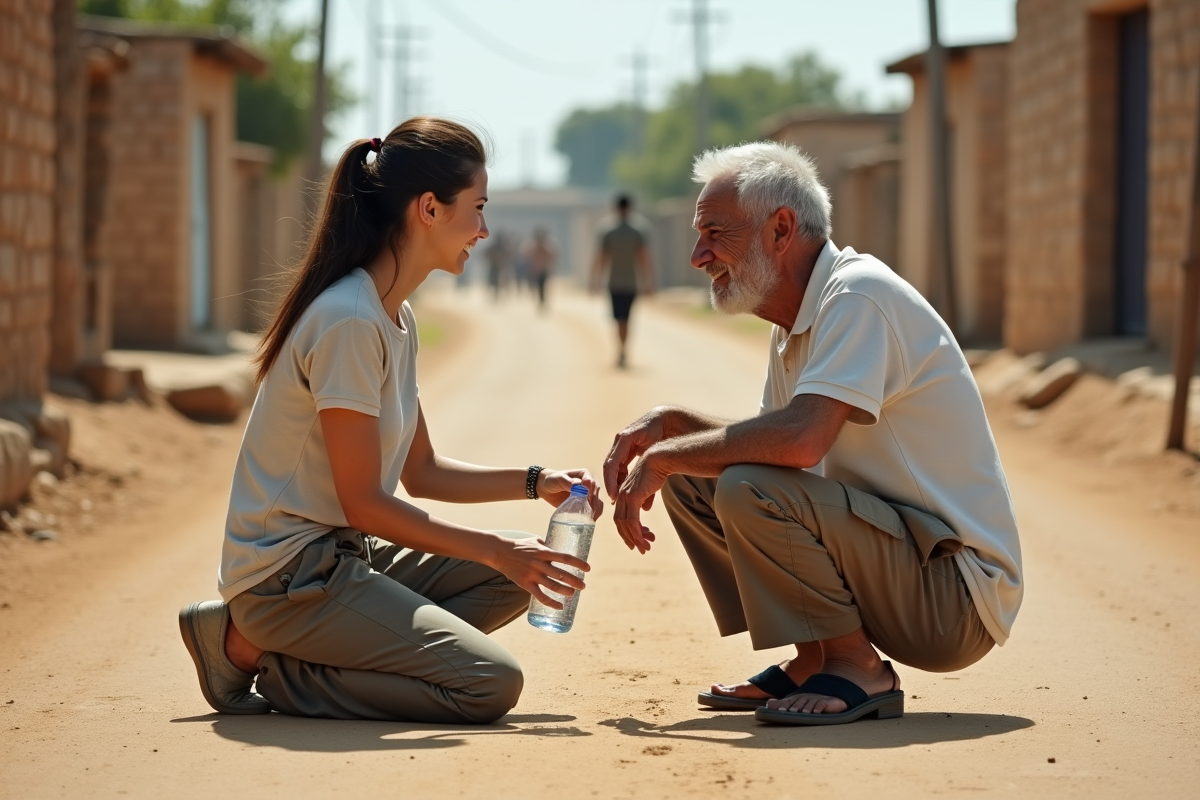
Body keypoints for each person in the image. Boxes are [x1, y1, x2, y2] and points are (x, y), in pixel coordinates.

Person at [177, 118, 602, 724]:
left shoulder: (392, 317)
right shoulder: (350, 320)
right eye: (478, 209)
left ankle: (326, 646)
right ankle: (261, 657)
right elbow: (363, 504)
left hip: (345, 560)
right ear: (429, 209)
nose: (484, 231)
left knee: (527, 568)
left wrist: (538, 482)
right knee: (488, 683)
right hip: (289, 579)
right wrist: (493, 548)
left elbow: (422, 472)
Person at [603, 142, 1022, 726]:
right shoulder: (800, 317)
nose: (698, 256)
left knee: (740, 484)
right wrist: (672, 427)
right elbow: (770, 444)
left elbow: (799, 443)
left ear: (781, 229)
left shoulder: (857, 296)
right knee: (698, 476)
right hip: (902, 568)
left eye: (715, 233)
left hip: (953, 599)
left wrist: (668, 455)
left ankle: (858, 667)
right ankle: (814, 658)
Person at [591, 194, 654, 368]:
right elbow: (644, 259)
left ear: (616, 208)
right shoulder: (637, 230)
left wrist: (595, 281)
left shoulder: (608, 230)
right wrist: (648, 282)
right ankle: (623, 349)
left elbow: (601, 258)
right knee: (626, 319)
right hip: (630, 283)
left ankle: (621, 350)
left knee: (619, 319)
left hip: (615, 283)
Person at [524, 226, 557, 310]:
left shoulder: (547, 247)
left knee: (542, 286)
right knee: (536, 286)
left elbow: (551, 258)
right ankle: (540, 300)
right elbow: (528, 257)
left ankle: (541, 300)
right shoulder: (533, 246)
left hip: (543, 270)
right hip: (536, 270)